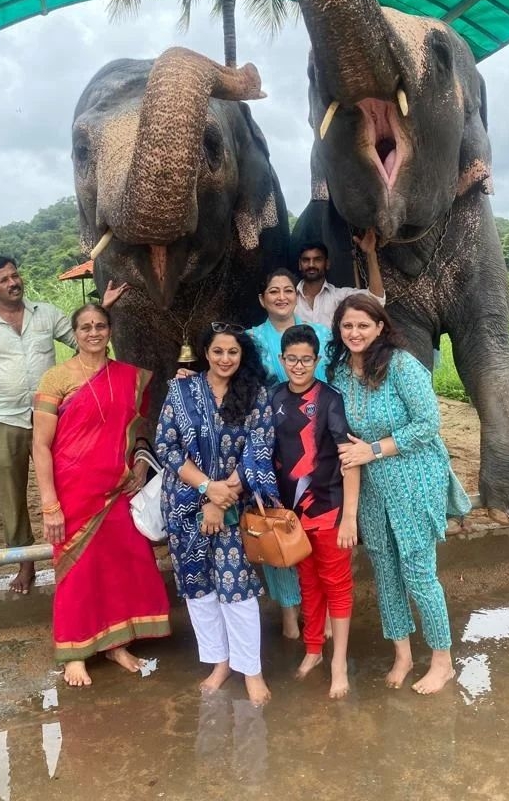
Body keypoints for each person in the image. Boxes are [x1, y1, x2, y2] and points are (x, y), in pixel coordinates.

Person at [328, 293, 471, 695]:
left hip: (413, 476)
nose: (355, 333)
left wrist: (372, 449)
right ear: (339, 330)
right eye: (347, 326)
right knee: (385, 569)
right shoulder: (338, 372)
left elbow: (428, 424)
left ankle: (442, 661)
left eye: (362, 325)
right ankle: (403, 654)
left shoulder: (403, 366)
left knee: (418, 570)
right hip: (371, 483)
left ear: (379, 328)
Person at [0, 256, 125, 594]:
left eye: (15, 275)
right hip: (5, 420)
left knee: (65, 484)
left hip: (53, 417)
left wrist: (101, 308)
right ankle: (25, 562)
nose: (13, 282)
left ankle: (76, 550)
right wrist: (2, 389)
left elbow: (82, 337)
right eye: (3, 280)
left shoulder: (46, 314)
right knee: (13, 494)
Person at [32, 303, 170, 687]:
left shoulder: (128, 376)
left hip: (119, 491)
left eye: (101, 326)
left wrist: (140, 464)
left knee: (121, 566)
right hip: (74, 493)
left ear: (110, 331)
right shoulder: (56, 379)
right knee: (76, 571)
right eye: (86, 327)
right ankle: (74, 652)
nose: (94, 333)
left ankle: (117, 644)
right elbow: (40, 446)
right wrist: (49, 505)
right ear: (74, 334)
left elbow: (140, 431)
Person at [156, 323, 278, 706]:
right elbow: (167, 446)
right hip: (185, 502)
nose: (226, 359)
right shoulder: (180, 391)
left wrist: (221, 497)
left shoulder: (255, 394)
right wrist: (207, 489)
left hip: (233, 503)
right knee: (198, 586)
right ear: (205, 352)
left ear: (243, 356)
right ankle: (220, 661)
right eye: (218, 351)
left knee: (235, 585)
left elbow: (259, 448)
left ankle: (251, 670)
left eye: (233, 352)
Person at [272, 324, 360, 699]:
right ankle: (313, 650)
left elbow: (350, 459)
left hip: (329, 511)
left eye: (306, 359)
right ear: (282, 360)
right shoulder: (273, 397)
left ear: (317, 360)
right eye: (292, 359)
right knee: (308, 584)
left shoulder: (330, 399)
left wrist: (349, 517)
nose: (299, 365)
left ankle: (338, 662)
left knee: (336, 584)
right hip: (291, 518)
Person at [246, 269, 332, 639]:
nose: (281, 296)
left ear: (296, 296)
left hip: (319, 443)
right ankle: (288, 610)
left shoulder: (323, 335)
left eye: (287, 290)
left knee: (318, 528)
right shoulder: (251, 340)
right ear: (263, 299)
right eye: (273, 290)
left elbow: (334, 385)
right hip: (274, 448)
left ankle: (323, 611)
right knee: (277, 525)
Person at [296, 230, 386, 328]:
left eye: (317, 260)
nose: (311, 265)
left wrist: (371, 254)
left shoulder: (338, 297)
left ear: (327, 264)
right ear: (300, 265)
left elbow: (376, 300)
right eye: (306, 260)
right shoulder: (288, 298)